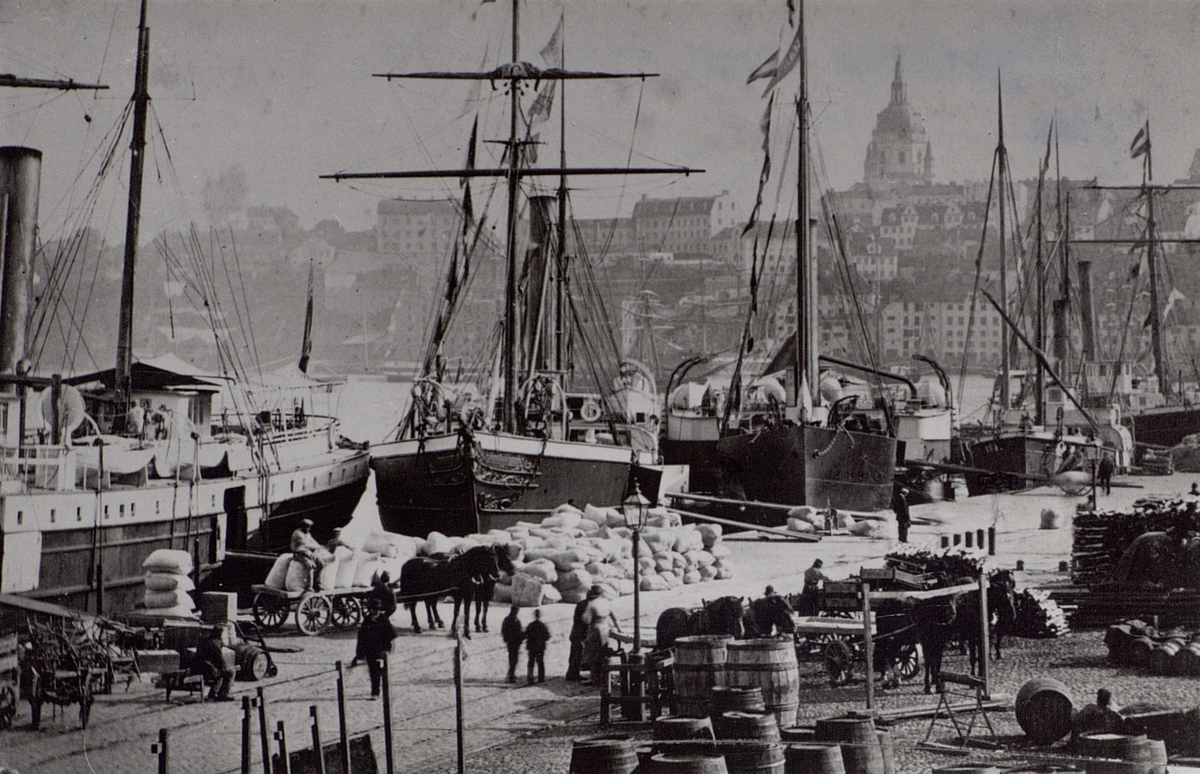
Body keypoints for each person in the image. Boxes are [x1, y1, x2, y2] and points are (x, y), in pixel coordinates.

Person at [350, 580, 397, 699]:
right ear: (370, 610)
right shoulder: (366, 621)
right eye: (373, 610)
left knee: (380, 672)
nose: (375, 612)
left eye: (377, 610)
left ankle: (379, 691)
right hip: (370, 651)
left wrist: (390, 650)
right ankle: (375, 692)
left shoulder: (384, 620)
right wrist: (359, 654)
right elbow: (361, 639)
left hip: (382, 651)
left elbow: (392, 636)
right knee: (373, 672)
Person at [581, 588, 622, 686]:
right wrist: (619, 629)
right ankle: (606, 677)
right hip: (605, 628)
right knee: (604, 653)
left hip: (595, 629)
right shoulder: (607, 603)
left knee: (593, 654)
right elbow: (615, 618)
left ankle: (594, 678)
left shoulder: (592, 604)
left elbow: (587, 620)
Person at [566, 585, 602, 681]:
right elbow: (587, 621)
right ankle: (577, 674)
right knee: (582, 654)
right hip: (582, 633)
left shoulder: (581, 604)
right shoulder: (589, 606)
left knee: (575, 654)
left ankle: (572, 673)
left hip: (576, 632)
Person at [196, 626, 234, 701]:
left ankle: (213, 693)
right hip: (206, 668)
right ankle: (223, 694)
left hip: (197, 666)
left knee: (220, 672)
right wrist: (225, 667)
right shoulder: (215, 643)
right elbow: (220, 658)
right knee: (230, 673)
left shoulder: (205, 640)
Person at [291, 519, 326, 591]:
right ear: (302, 526)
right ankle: (309, 586)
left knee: (322, 564)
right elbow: (306, 545)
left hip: (308, 554)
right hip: (299, 554)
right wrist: (318, 548)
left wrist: (319, 546)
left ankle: (318, 582)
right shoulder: (297, 533)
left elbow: (313, 542)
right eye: (307, 527)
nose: (308, 529)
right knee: (310, 565)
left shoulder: (308, 534)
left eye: (309, 527)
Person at [524, 608, 551, 685]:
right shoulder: (542, 626)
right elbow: (547, 636)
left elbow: (526, 635)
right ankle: (541, 677)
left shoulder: (530, 625)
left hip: (531, 647)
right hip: (540, 647)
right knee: (540, 662)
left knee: (531, 662)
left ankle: (530, 678)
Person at [501, 605, 525, 684]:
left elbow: (503, 631)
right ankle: (511, 675)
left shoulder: (507, 619)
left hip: (512, 643)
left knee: (513, 659)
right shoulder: (515, 620)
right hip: (513, 643)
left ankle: (511, 674)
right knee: (513, 660)